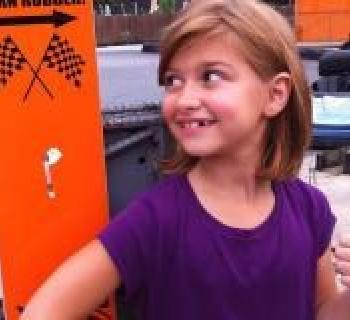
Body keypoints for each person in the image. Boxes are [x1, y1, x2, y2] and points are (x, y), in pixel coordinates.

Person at [21, 0, 350, 319]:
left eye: (211, 76)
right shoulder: (156, 220)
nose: (184, 99)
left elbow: (323, 310)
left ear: (275, 95)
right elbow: (45, 310)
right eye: (173, 81)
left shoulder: (309, 210)